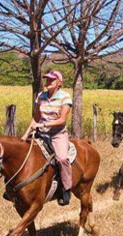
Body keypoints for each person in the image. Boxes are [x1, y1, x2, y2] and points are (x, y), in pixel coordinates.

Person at [21, 70, 74, 206]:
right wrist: (26, 135)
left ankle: (66, 189)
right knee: (23, 153)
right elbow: (36, 117)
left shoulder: (65, 97)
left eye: (51, 80)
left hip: (57, 134)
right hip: (41, 133)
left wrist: (43, 124)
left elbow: (62, 120)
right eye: (47, 80)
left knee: (62, 158)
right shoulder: (41, 96)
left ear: (59, 83)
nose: (48, 82)